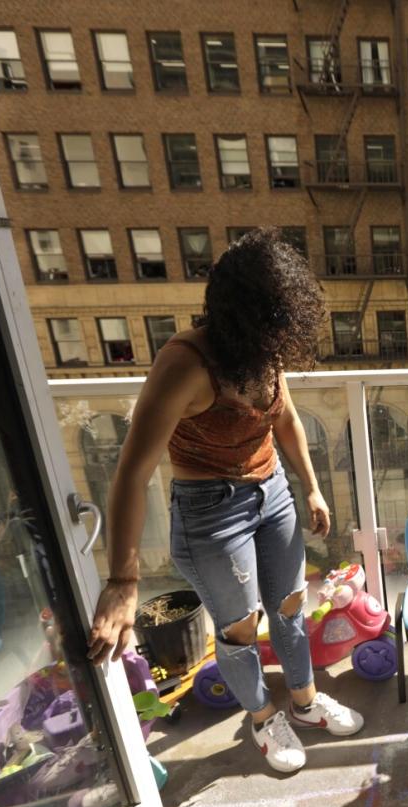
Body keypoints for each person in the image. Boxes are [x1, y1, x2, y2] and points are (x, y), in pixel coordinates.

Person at [85, 228, 363, 773]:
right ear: (242, 315)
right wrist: (122, 581)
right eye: (272, 320)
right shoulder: (185, 364)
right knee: (239, 628)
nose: (280, 334)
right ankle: (262, 721)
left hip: (272, 491)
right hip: (210, 511)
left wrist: (310, 485)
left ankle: (304, 705)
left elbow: (284, 420)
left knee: (289, 605)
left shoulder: (264, 353)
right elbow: (132, 472)